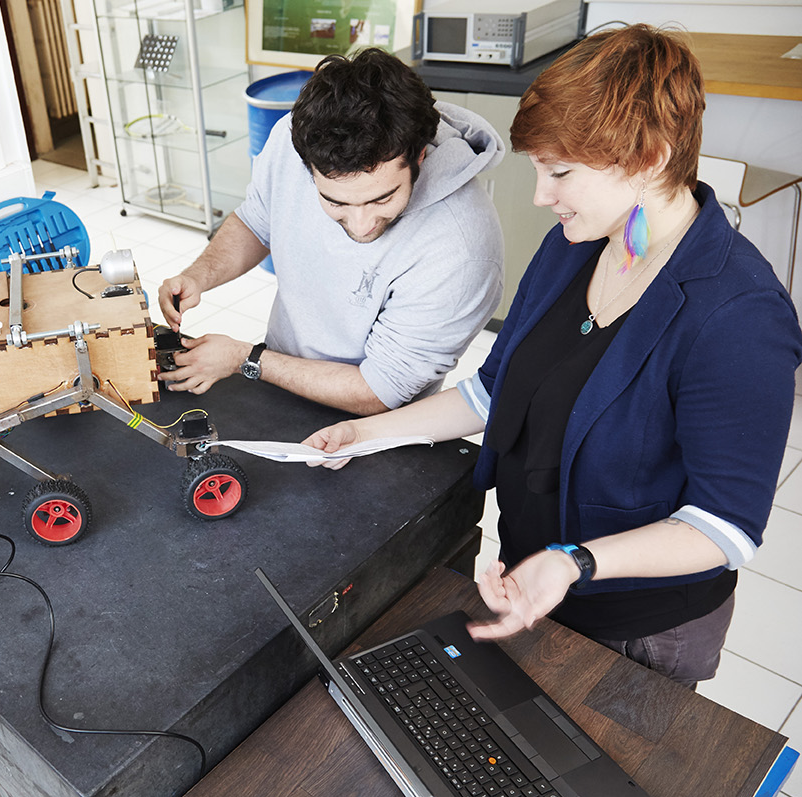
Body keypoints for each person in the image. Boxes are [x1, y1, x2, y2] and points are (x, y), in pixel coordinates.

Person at [302, 25, 802, 688]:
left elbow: (723, 528)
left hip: (637, 627)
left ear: (650, 156)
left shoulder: (737, 316)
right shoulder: (575, 243)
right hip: (530, 579)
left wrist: (574, 562)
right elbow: (491, 391)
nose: (540, 195)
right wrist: (363, 432)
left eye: (559, 172)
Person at [157, 47, 505, 415]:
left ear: (418, 156)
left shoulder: (463, 248)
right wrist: (199, 276)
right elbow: (258, 222)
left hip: (372, 424)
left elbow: (381, 389)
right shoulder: (290, 141)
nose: (362, 225)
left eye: (382, 199)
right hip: (274, 380)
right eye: (336, 202)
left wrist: (245, 357)